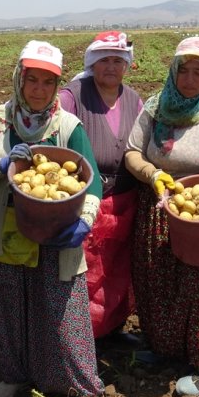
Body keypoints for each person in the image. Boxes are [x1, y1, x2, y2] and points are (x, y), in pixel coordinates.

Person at [0, 40, 104, 397]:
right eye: (32, 79)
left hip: (58, 229)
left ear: (57, 85)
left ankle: (84, 386)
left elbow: (91, 180)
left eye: (48, 82)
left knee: (64, 307)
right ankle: (14, 377)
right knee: (9, 305)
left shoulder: (68, 125)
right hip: (7, 227)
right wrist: (1, 165)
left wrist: (85, 221)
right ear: (19, 77)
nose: (39, 89)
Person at [124, 36, 199, 397]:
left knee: (197, 288)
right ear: (173, 72)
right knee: (155, 281)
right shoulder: (154, 107)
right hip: (158, 208)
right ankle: (163, 350)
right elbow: (133, 152)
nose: (191, 79)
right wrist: (152, 175)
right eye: (184, 70)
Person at [58, 31, 143, 340]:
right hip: (87, 200)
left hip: (125, 199)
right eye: (104, 60)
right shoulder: (73, 95)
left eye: (118, 61)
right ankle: (81, 335)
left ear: (127, 65)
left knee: (116, 270)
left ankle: (111, 328)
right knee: (86, 271)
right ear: (92, 63)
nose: (111, 67)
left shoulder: (133, 99)